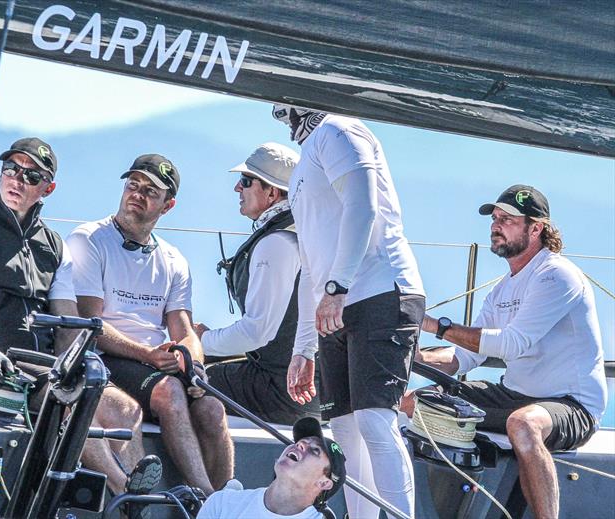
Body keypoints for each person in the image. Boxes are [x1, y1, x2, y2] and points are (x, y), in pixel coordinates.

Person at [0, 138, 154, 497]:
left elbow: (66, 319)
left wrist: (79, 363)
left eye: (31, 175)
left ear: (47, 188)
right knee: (75, 404)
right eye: (11, 169)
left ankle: (137, 493)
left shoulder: (53, 244)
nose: (17, 179)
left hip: (47, 368)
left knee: (125, 408)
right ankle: (128, 495)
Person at [404, 185, 606, 519]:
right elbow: (464, 358)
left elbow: (513, 343)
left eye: (508, 219)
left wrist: (434, 325)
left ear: (536, 228)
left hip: (572, 405)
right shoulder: (502, 291)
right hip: (515, 394)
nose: (496, 225)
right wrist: (407, 354)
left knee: (523, 424)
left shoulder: (556, 275)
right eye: (495, 218)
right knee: (411, 402)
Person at [273, 105, 425, 518]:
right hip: (337, 304)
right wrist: (303, 349)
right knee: (343, 430)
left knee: (375, 421)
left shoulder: (339, 129)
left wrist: (337, 286)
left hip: (379, 290)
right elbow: (309, 264)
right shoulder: (306, 158)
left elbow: (363, 207)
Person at [67, 153, 234, 495]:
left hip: (153, 364)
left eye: (150, 191)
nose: (137, 194)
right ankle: (207, 501)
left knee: (212, 408)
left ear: (167, 206)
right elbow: (89, 321)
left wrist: (196, 367)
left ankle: (225, 499)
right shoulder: (89, 239)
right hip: (107, 357)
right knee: (169, 391)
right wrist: (147, 354)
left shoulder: (173, 259)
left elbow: (184, 330)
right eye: (133, 185)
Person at [194, 142, 320, 425]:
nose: (237, 189)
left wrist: (199, 342)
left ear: (272, 192)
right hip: (311, 389)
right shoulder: (305, 232)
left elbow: (257, 332)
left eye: (246, 181)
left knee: (178, 380)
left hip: (282, 391)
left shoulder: (276, 244)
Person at [198, 416, 346, 519]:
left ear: (324, 483)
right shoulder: (222, 503)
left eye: (314, 451)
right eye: (301, 441)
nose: (300, 444)